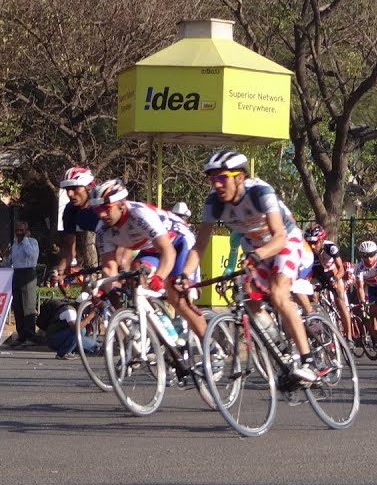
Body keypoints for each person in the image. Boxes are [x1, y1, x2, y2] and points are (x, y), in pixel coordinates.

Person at [180, 150, 318, 382]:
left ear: (240, 177)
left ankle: (309, 362)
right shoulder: (214, 202)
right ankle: (281, 347)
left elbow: (279, 237)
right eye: (212, 179)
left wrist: (257, 256)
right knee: (248, 299)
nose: (217, 184)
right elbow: (200, 245)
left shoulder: (260, 192)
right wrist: (185, 274)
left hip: (284, 241)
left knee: (278, 293)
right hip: (254, 245)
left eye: (222, 177)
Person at [91, 180, 205, 345]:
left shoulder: (140, 215)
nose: (102, 214)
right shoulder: (103, 230)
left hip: (177, 242)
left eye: (106, 208)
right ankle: (163, 326)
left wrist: (160, 277)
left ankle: (209, 345)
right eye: (97, 210)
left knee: (177, 297)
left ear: (121, 205)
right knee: (136, 275)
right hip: (151, 248)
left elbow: (168, 252)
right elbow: (109, 268)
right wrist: (108, 289)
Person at [50, 167, 99, 285]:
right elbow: (69, 250)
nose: (70, 194)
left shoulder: (101, 205)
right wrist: (60, 270)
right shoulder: (70, 210)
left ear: (89, 187)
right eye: (67, 189)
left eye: (75, 188)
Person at [304, 223, 353, 339]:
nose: (312, 246)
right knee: (312, 296)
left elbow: (341, 269)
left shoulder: (330, 247)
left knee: (340, 301)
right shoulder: (306, 250)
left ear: (321, 240)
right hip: (317, 276)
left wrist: (336, 278)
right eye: (309, 243)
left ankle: (349, 337)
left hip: (332, 274)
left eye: (315, 243)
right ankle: (317, 328)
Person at [2, 221, 41, 347]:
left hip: (28, 273)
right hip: (17, 273)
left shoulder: (32, 242)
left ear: (26, 231)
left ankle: (30, 336)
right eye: (17, 230)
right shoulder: (14, 245)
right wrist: (5, 256)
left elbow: (32, 256)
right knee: (18, 306)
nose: (19, 233)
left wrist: (24, 241)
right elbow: (7, 263)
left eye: (21, 230)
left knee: (28, 306)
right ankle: (21, 335)